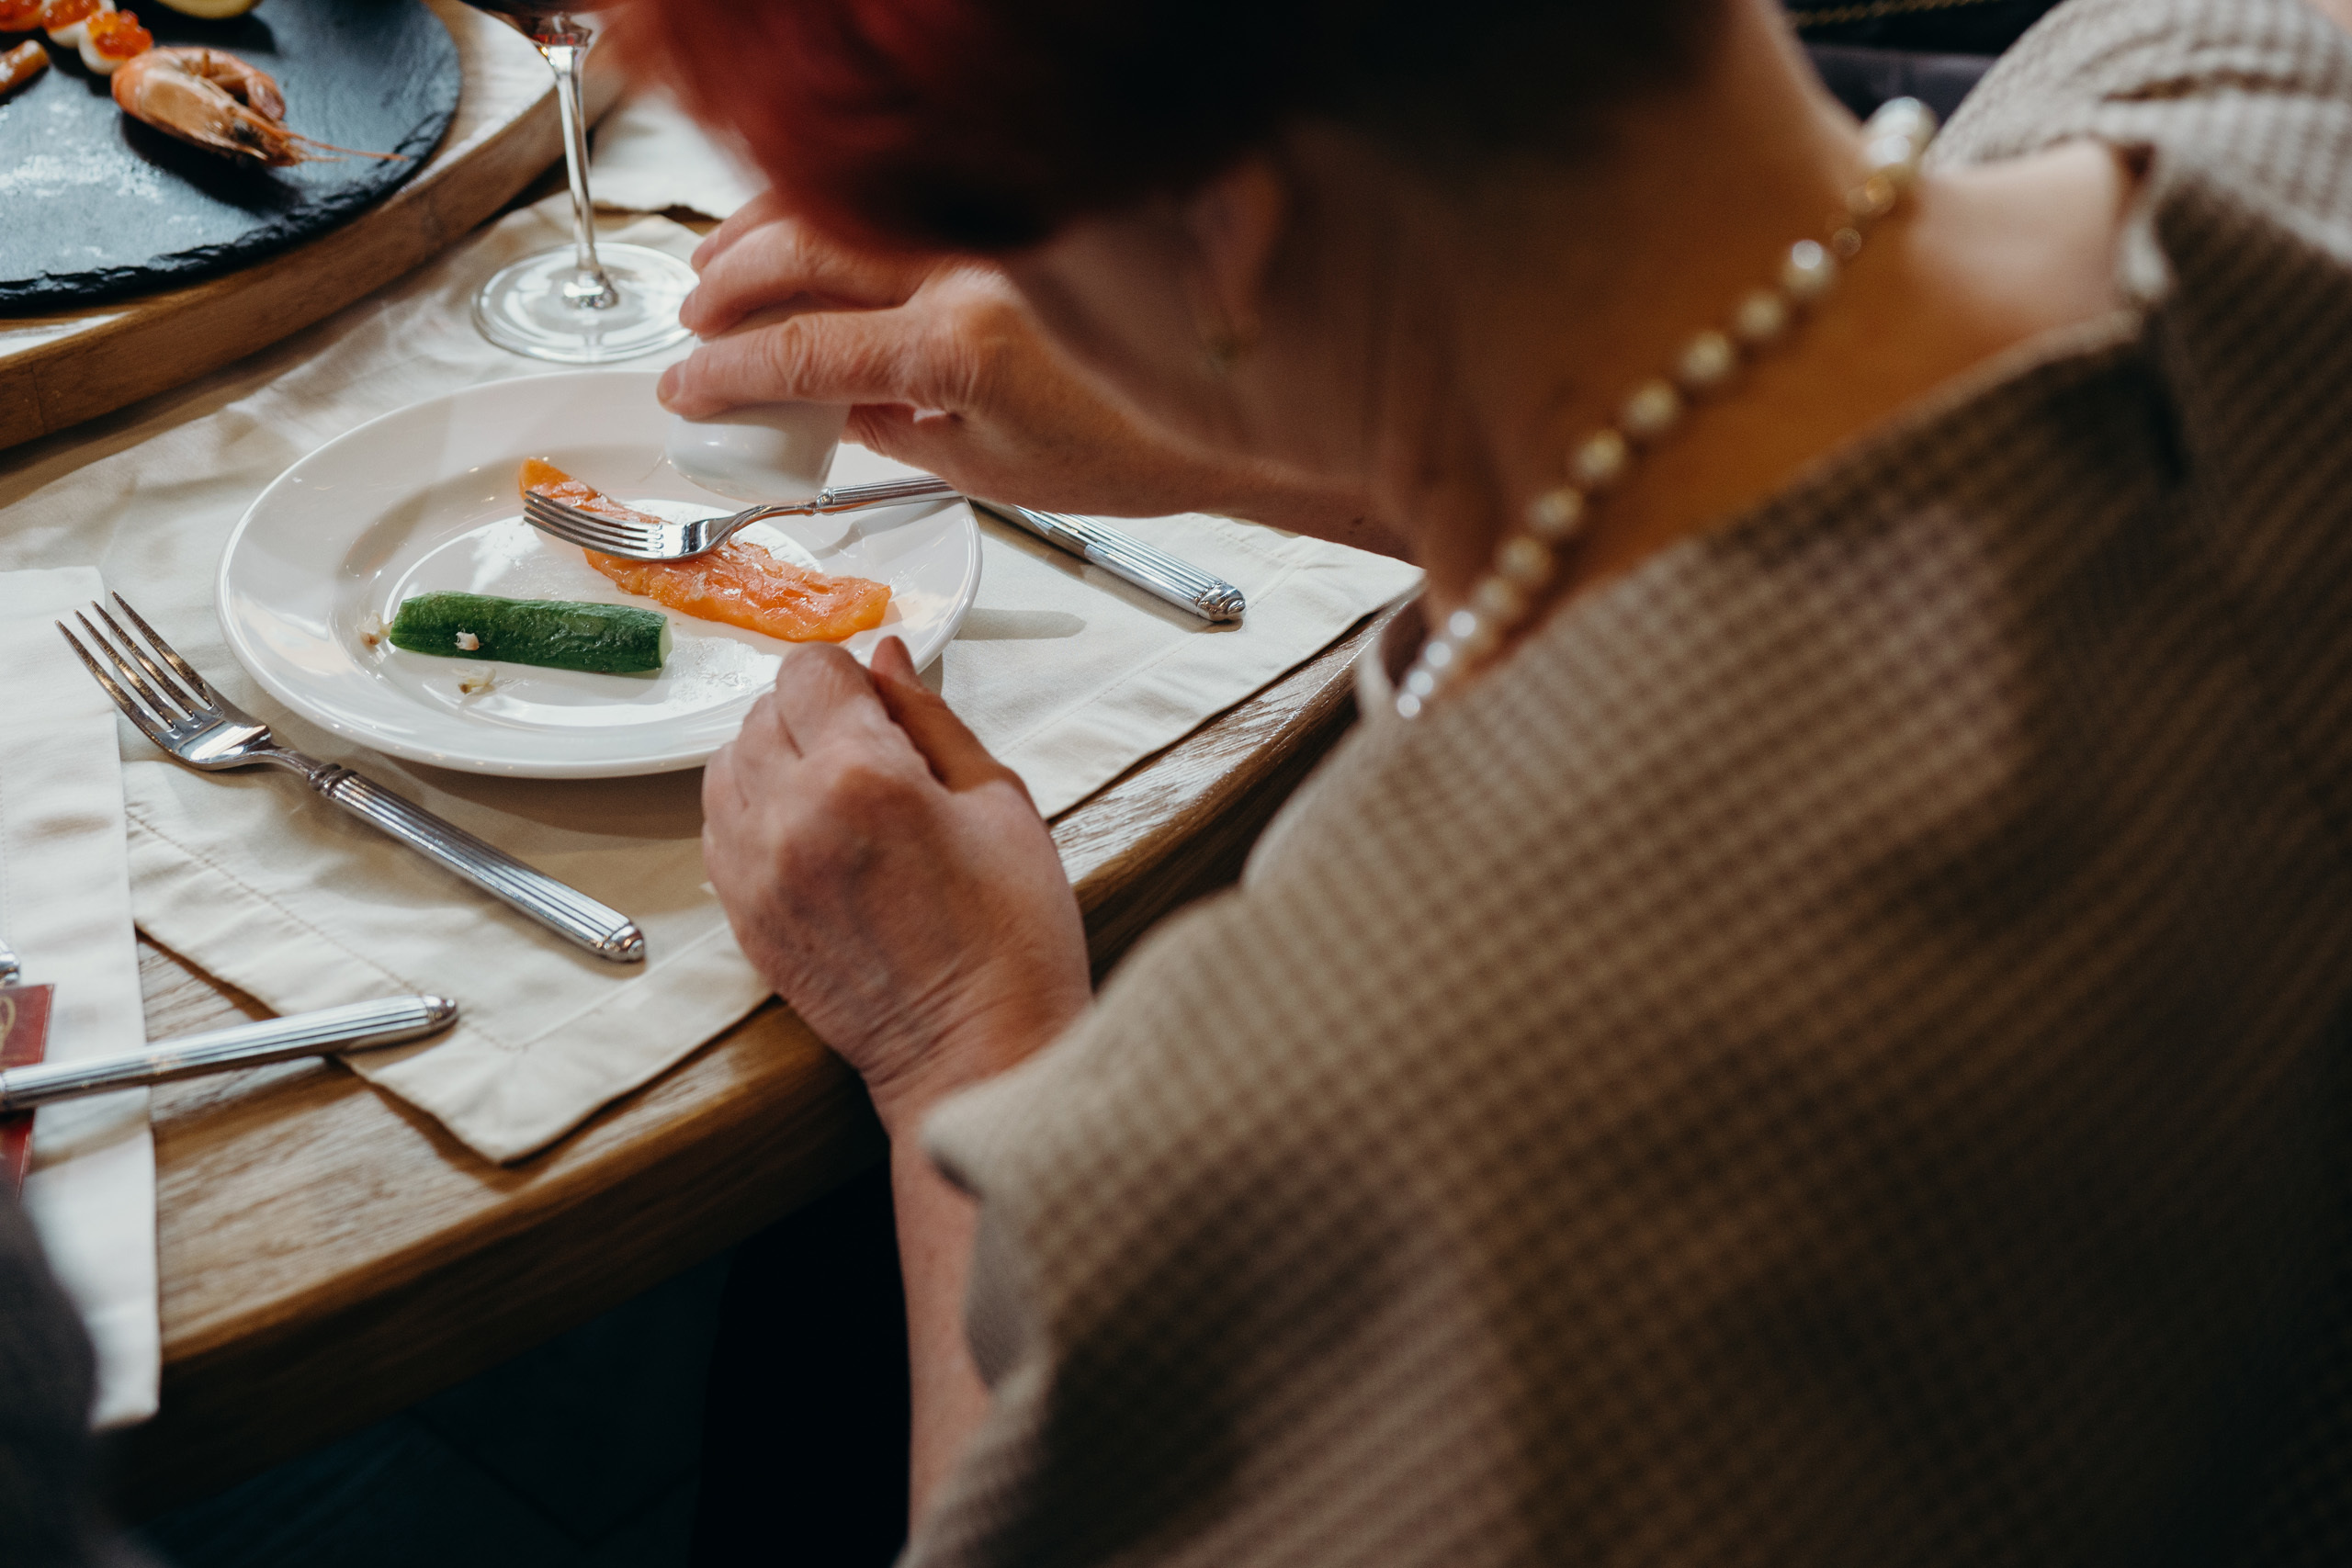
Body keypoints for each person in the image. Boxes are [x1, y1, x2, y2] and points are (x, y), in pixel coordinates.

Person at [629, 0, 2352, 1561]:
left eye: (990, 227)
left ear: (1230, 230)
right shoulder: (2256, 77)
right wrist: (1312, 410)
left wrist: (961, 1043)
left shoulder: (1368, 1115)